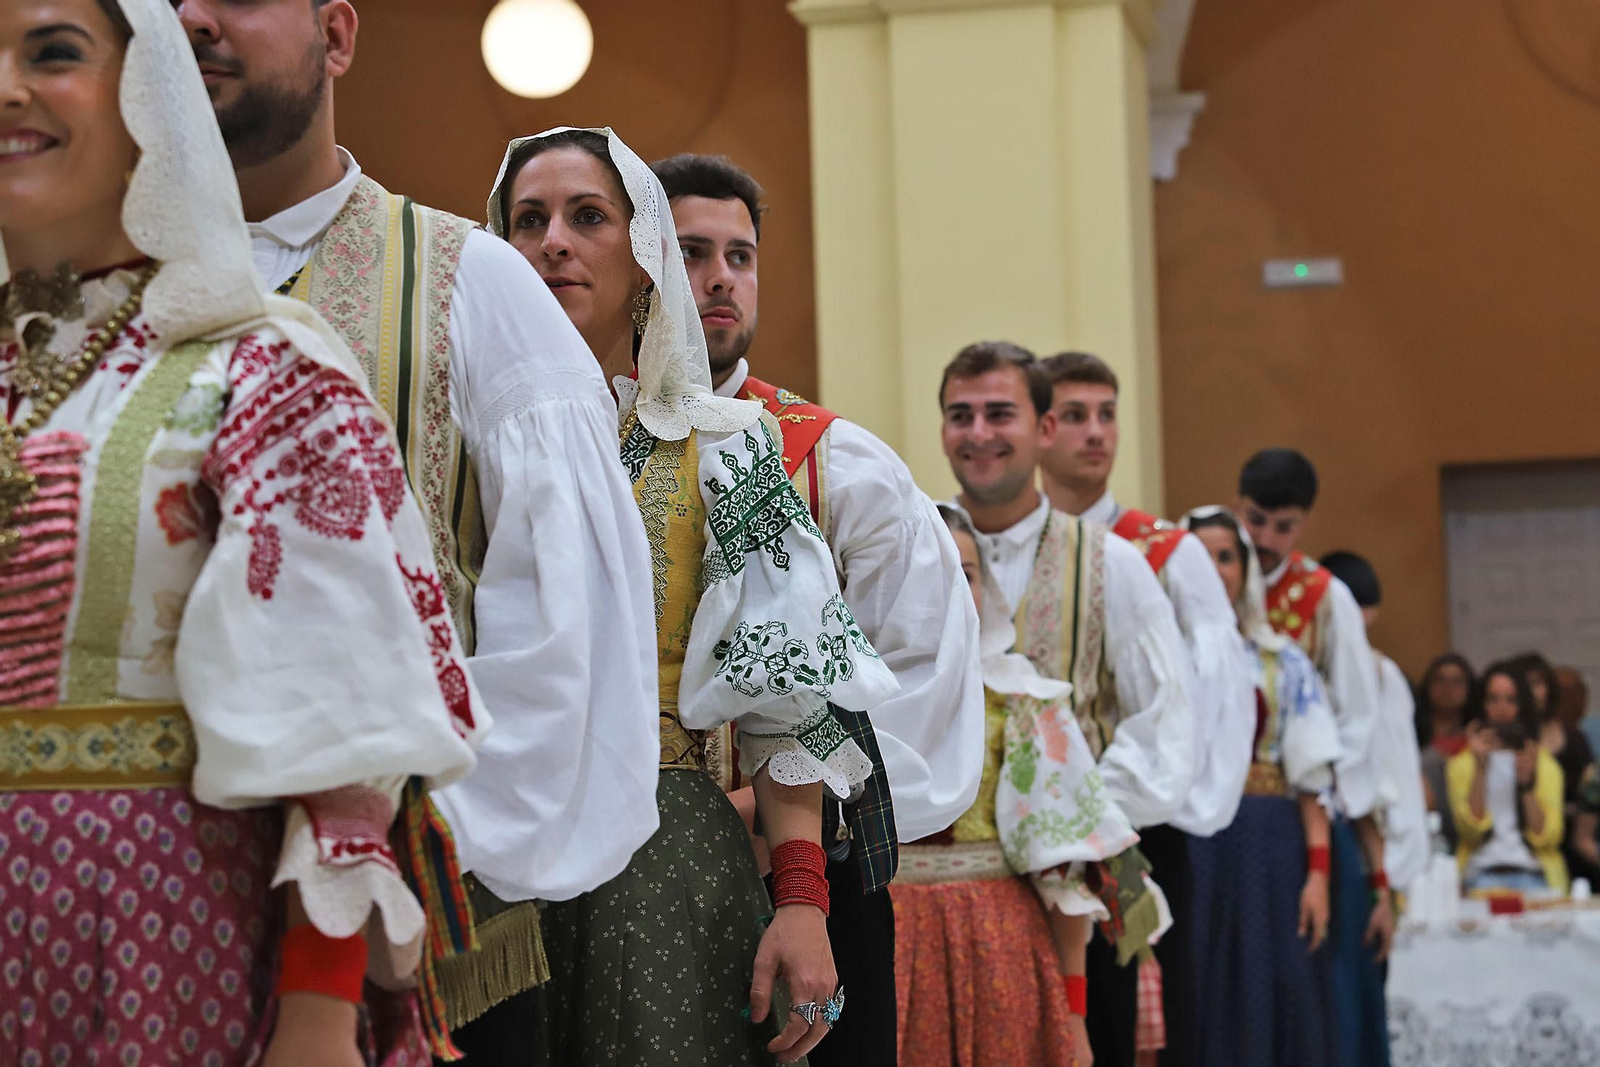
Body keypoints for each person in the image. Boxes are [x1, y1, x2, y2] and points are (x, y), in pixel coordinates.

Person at [0, 2, 490, 1064]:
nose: (7, 87)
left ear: (151, 102)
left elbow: (344, 723)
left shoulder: (261, 375)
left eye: (52, 54)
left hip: (166, 942)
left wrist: (316, 1014)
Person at [171, 1, 661, 1053]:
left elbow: (569, 624)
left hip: (421, 891)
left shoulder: (471, 280)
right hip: (132, 890)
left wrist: (423, 823)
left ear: (337, 36)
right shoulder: (92, 288)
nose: (193, 16)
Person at [488, 125, 897, 1066]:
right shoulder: (457, 435)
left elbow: (791, 700)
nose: (553, 241)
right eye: (528, 220)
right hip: (492, 853)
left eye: (586, 217)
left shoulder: (730, 445)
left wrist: (801, 899)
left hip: (667, 858)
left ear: (643, 262)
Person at [653, 151, 986, 1066]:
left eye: (741, 255)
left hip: (811, 879)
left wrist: (778, 819)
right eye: (689, 250)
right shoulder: (577, 439)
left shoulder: (838, 460)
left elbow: (922, 677)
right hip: (623, 871)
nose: (721, 277)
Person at [940, 341, 1196, 1067]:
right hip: (948, 895)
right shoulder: (919, 549)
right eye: (961, 415)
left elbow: (1165, 724)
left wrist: (1064, 820)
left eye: (1000, 413)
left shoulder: (1112, 560)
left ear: (1044, 430)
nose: (979, 433)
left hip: (1080, 889)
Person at [1037, 351, 1253, 1067]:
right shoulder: (997, 542)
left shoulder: (1166, 549)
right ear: (1041, 427)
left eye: (1106, 414)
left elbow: (1217, 694)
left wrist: (1180, 806)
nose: (1096, 432)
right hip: (1032, 822)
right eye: (1075, 415)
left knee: (1142, 1004)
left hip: (1142, 825)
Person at [887, 506, 1138, 1067]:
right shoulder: (859, 699)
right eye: (933, 567)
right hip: (885, 939)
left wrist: (1073, 1016)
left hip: (999, 945)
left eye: (968, 572)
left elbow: (1064, 869)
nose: (954, 586)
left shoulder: (1024, 702)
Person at [1233, 449, 1393, 1067]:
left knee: (1315, 989)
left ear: (1304, 525)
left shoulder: (1326, 597)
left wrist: (1323, 807)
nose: (1267, 539)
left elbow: (1357, 719)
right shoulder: (1209, 583)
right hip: (1223, 815)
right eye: (1256, 520)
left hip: (1307, 817)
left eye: (1285, 526)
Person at [1179, 508, 1342, 1067]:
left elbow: (1312, 779)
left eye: (1225, 556)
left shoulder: (1283, 661)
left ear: (1244, 570)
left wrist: (1318, 874)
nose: (1214, 570)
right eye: (1198, 556)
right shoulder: (1161, 657)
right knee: (1193, 983)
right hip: (1186, 843)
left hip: (1267, 844)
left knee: (1274, 983)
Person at [1320, 550, 1431, 894]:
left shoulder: (1386, 673)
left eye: (1366, 612)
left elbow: (1394, 759)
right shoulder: (1323, 670)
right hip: (1365, 834)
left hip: (1383, 828)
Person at [1446, 661, 1568, 893]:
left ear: (1523, 705)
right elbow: (1469, 831)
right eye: (1493, 699)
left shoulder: (1544, 764)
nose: (1501, 708)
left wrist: (1527, 785)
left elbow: (1549, 837)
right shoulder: (1462, 764)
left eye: (1511, 699)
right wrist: (1480, 770)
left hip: (1533, 874)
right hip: (1480, 873)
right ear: (1482, 704)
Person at [1512, 654, 1597, 885]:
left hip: (1572, 845)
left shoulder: (1575, 738)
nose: (1532, 692)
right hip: (1520, 848)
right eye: (1525, 684)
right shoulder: (1506, 743)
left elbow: (1590, 790)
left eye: (1539, 683)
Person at [1414, 653, 1476, 849]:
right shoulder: (1413, 736)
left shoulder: (1478, 740)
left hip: (1471, 839)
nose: (1447, 688)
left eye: (1456, 682)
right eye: (1440, 680)